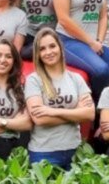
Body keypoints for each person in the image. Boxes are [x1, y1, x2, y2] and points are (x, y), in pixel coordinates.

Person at [25, 28, 94, 169]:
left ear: (60, 47)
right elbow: (40, 119)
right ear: (37, 54)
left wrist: (52, 112)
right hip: (43, 152)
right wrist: (76, 112)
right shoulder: (33, 80)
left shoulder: (76, 78)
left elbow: (89, 114)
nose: (48, 52)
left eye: (52, 46)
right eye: (42, 49)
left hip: (74, 150)